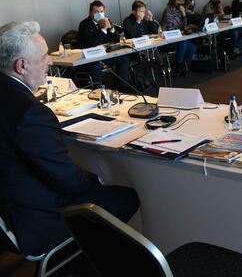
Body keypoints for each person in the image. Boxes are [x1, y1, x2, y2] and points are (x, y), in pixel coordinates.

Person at [0, 21, 139, 256]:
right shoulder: (30, 113)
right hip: (33, 220)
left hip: (9, 209)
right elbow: (67, 180)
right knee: (127, 197)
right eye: (44, 57)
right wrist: (99, 179)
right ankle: (85, 262)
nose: (50, 62)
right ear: (21, 66)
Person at [77, 0, 130, 90]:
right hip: (90, 59)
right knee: (96, 66)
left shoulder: (106, 21)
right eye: (96, 12)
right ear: (91, 13)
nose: (99, 14)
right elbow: (94, 43)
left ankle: (123, 88)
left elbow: (117, 39)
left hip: (104, 56)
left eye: (101, 11)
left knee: (124, 58)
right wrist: (103, 30)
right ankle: (99, 92)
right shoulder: (84, 24)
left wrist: (111, 28)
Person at [160, 0, 197, 75]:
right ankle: (178, 68)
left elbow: (184, 26)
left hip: (179, 38)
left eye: (182, 1)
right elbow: (170, 28)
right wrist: (181, 30)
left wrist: (183, 14)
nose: (181, 3)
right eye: (179, 1)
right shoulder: (168, 11)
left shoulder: (180, 11)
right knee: (183, 45)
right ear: (174, 1)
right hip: (168, 40)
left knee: (193, 48)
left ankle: (179, 63)